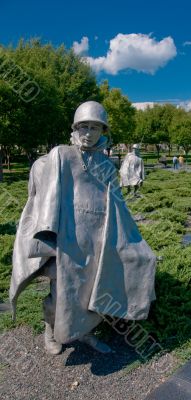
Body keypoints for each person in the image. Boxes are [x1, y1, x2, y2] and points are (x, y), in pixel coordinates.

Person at [10, 101, 156, 355]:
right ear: (75, 128)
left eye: (95, 128)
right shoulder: (62, 155)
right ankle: (50, 331)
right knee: (61, 291)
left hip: (97, 239)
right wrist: (48, 237)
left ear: (104, 132)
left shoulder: (108, 167)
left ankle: (84, 332)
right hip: (67, 239)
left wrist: (135, 245)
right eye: (84, 127)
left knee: (92, 292)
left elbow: (118, 209)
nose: (89, 133)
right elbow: (47, 199)